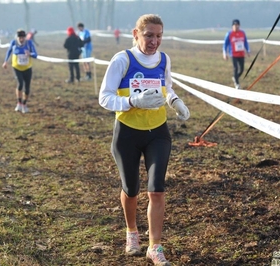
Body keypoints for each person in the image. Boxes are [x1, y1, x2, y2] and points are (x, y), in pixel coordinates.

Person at [99, 14, 190, 266]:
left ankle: (155, 247)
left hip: (158, 133)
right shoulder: (122, 60)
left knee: (157, 191)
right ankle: (131, 233)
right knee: (131, 190)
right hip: (127, 133)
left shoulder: (164, 59)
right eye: (149, 35)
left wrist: (175, 101)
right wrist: (131, 102)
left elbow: (166, 87)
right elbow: (104, 97)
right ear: (136, 34)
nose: (154, 41)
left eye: (159, 36)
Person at [2, 29, 37, 114]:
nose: (21, 39)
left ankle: (24, 105)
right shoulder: (13, 42)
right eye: (19, 38)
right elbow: (9, 51)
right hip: (17, 67)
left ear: (25, 37)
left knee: (27, 88)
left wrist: (30, 54)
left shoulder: (29, 43)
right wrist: (5, 61)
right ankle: (19, 103)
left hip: (27, 68)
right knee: (20, 84)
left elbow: (35, 55)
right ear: (17, 37)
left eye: (23, 37)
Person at [223, 19, 250, 90]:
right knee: (235, 68)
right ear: (232, 26)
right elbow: (225, 45)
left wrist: (248, 50)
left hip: (241, 54)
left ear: (239, 25)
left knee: (241, 69)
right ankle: (237, 84)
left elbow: (245, 42)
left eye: (237, 25)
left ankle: (235, 77)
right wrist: (225, 53)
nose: (236, 27)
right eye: (234, 25)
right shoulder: (229, 34)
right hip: (233, 54)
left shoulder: (242, 33)